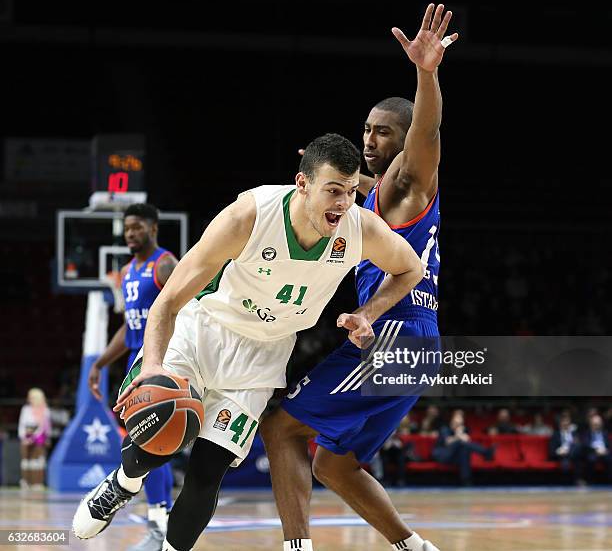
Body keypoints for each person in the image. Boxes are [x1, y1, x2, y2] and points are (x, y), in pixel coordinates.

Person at [72, 132, 426, 551]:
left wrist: (368, 313)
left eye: (350, 191)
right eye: (333, 191)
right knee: (153, 446)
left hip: (262, 356)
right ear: (302, 184)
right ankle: (123, 482)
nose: (343, 203)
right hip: (204, 331)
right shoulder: (249, 216)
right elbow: (167, 302)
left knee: (208, 471)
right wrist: (151, 367)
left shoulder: (361, 228)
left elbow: (411, 269)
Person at [259, 4, 457, 551]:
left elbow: (428, 128)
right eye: (367, 130)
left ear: (404, 139)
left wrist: (426, 73)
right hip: (417, 342)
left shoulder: (411, 181)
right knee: (335, 465)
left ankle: (295, 547)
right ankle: (414, 547)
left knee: (281, 430)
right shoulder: (376, 195)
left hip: (395, 332)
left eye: (384, 132)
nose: (370, 139)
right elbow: (364, 188)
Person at [88, 203, 178, 551]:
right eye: (126, 228)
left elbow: (188, 308)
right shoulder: (126, 272)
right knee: (146, 445)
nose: (130, 233)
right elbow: (129, 326)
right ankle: (161, 525)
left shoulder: (166, 264)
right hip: (134, 369)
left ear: (153, 228)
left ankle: (161, 526)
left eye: (137, 227)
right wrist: (99, 364)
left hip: (159, 365)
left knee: (150, 444)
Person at [432, 410, 494, 486]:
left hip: (454, 457)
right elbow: (448, 442)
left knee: (464, 450)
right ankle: (485, 452)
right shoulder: (445, 429)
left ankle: (466, 480)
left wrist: (461, 435)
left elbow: (467, 441)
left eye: (460, 424)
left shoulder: (462, 431)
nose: (457, 425)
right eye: (456, 423)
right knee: (460, 443)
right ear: (452, 421)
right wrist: (458, 436)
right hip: (442, 455)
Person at [18, 388, 51, 489]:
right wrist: (24, 438)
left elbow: (45, 427)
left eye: (31, 397)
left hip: (39, 440)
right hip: (26, 440)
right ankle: (26, 481)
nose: (29, 399)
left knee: (38, 462)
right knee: (26, 462)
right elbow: (22, 425)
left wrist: (35, 438)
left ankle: (37, 482)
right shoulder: (26, 409)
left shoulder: (45, 410)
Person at [548, 412, 582, 484]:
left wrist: (568, 451)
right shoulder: (555, 435)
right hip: (561, 455)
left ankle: (577, 481)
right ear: (560, 423)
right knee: (565, 462)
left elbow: (578, 447)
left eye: (567, 421)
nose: (566, 423)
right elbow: (552, 450)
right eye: (564, 421)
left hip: (573, 455)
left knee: (577, 448)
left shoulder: (574, 434)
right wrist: (559, 451)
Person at [580, 414, 612, 483]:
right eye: (595, 424)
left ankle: (609, 481)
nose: (597, 425)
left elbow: (609, 445)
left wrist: (606, 450)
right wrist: (596, 450)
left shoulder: (605, 433)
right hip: (592, 452)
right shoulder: (587, 433)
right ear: (591, 424)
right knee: (591, 459)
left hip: (604, 452)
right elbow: (585, 444)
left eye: (598, 424)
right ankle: (590, 481)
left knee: (610, 459)